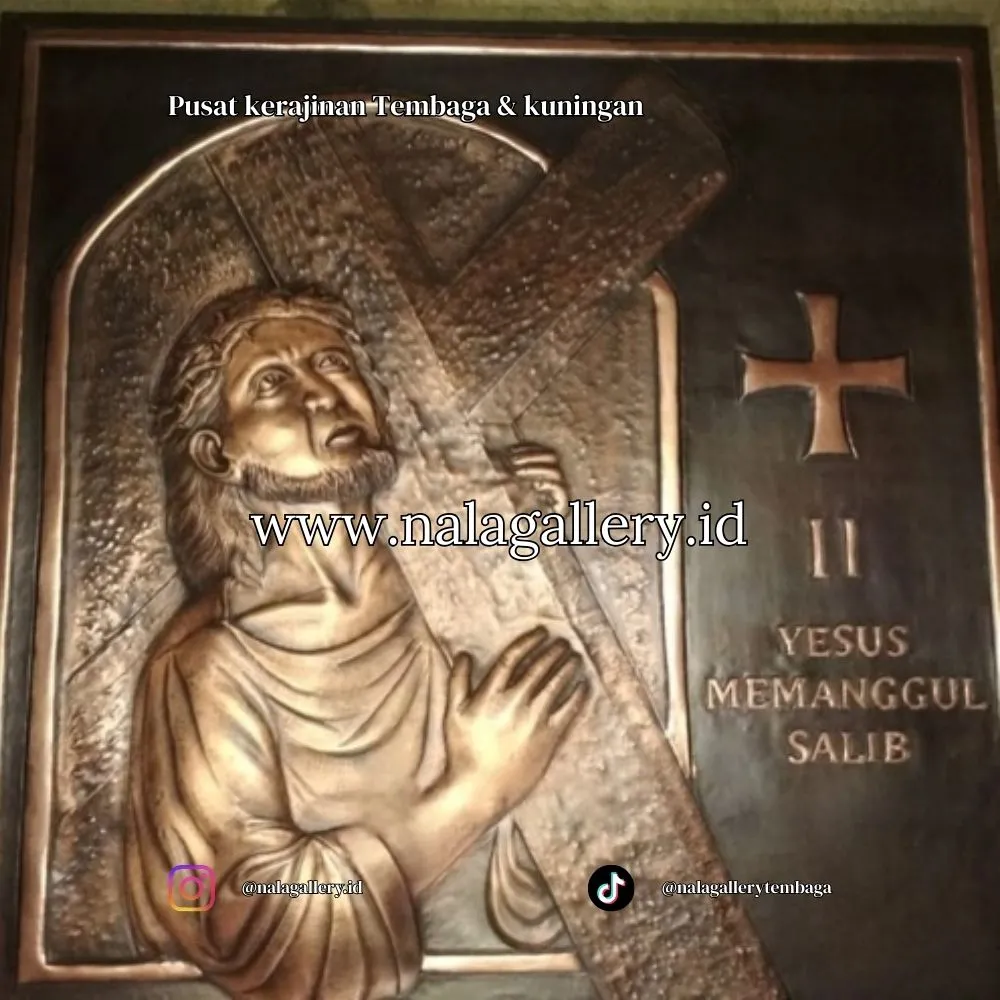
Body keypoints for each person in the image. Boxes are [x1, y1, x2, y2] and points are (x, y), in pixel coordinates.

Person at [124, 287, 589, 1000]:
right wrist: (477, 791)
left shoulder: (459, 573)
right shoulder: (208, 666)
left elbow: (587, 836)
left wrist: (552, 568)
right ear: (217, 452)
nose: (322, 394)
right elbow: (239, 918)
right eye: (272, 383)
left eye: (335, 363)